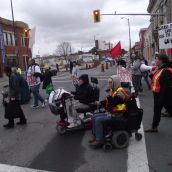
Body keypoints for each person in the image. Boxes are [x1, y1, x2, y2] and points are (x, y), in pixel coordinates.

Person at [89, 75, 129, 147]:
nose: (109, 84)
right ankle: (95, 136)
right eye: (108, 82)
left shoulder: (120, 93)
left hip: (118, 115)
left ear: (115, 83)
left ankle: (99, 139)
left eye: (110, 82)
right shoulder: (114, 90)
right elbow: (108, 102)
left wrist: (110, 98)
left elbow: (117, 106)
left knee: (98, 120)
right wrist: (100, 103)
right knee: (94, 116)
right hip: (112, 113)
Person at [145, 54, 172, 133]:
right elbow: (157, 80)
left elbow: (165, 87)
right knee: (157, 111)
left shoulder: (166, 71)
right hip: (158, 95)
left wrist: (161, 99)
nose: (155, 61)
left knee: (168, 109)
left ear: (161, 61)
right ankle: (154, 127)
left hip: (163, 96)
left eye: (156, 59)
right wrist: (151, 75)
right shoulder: (160, 69)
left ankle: (154, 127)